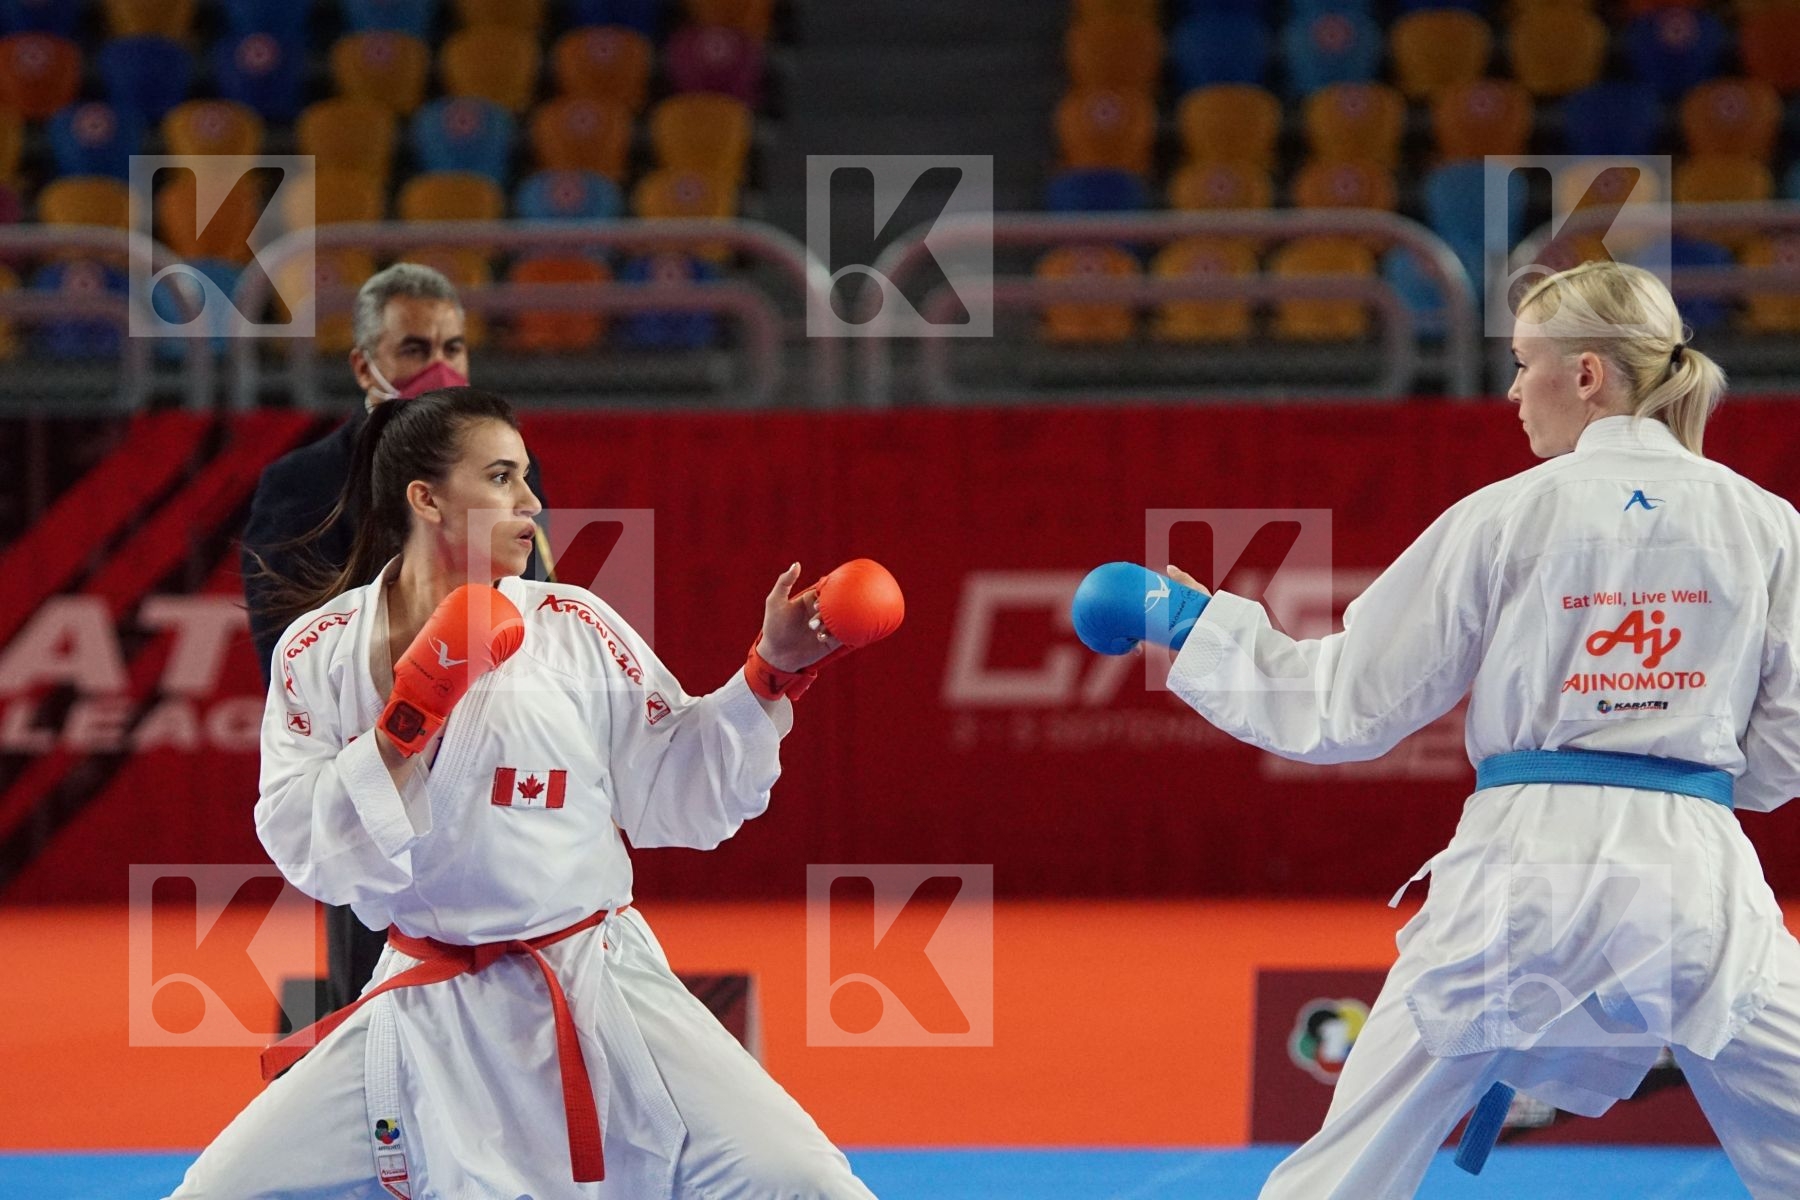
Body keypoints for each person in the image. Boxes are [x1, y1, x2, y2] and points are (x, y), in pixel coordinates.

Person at [1072, 260, 1800, 1198]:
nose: (1510, 389)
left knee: (1352, 1163)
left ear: (1586, 375)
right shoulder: (1768, 525)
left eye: (1524, 362)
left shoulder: (1507, 516)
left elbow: (1345, 703)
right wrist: (1674, 788)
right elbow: (1783, 755)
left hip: (1523, 871)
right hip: (1698, 876)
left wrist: (1187, 622)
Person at [181, 387, 894, 1199]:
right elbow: (309, 847)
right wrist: (406, 723)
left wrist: (771, 670)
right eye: (501, 478)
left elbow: (676, 790)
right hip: (427, 1009)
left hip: (598, 985)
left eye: (527, 478)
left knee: (803, 1181)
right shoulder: (320, 650)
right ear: (428, 500)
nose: (533, 503)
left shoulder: (573, 626)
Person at [242, 262, 552, 1014]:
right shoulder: (305, 482)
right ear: (364, 364)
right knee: (381, 1013)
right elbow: (288, 653)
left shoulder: (506, 471)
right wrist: (407, 704)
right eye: (414, 349)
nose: (440, 366)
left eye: (454, 345)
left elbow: (538, 612)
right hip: (380, 773)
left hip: (498, 783)